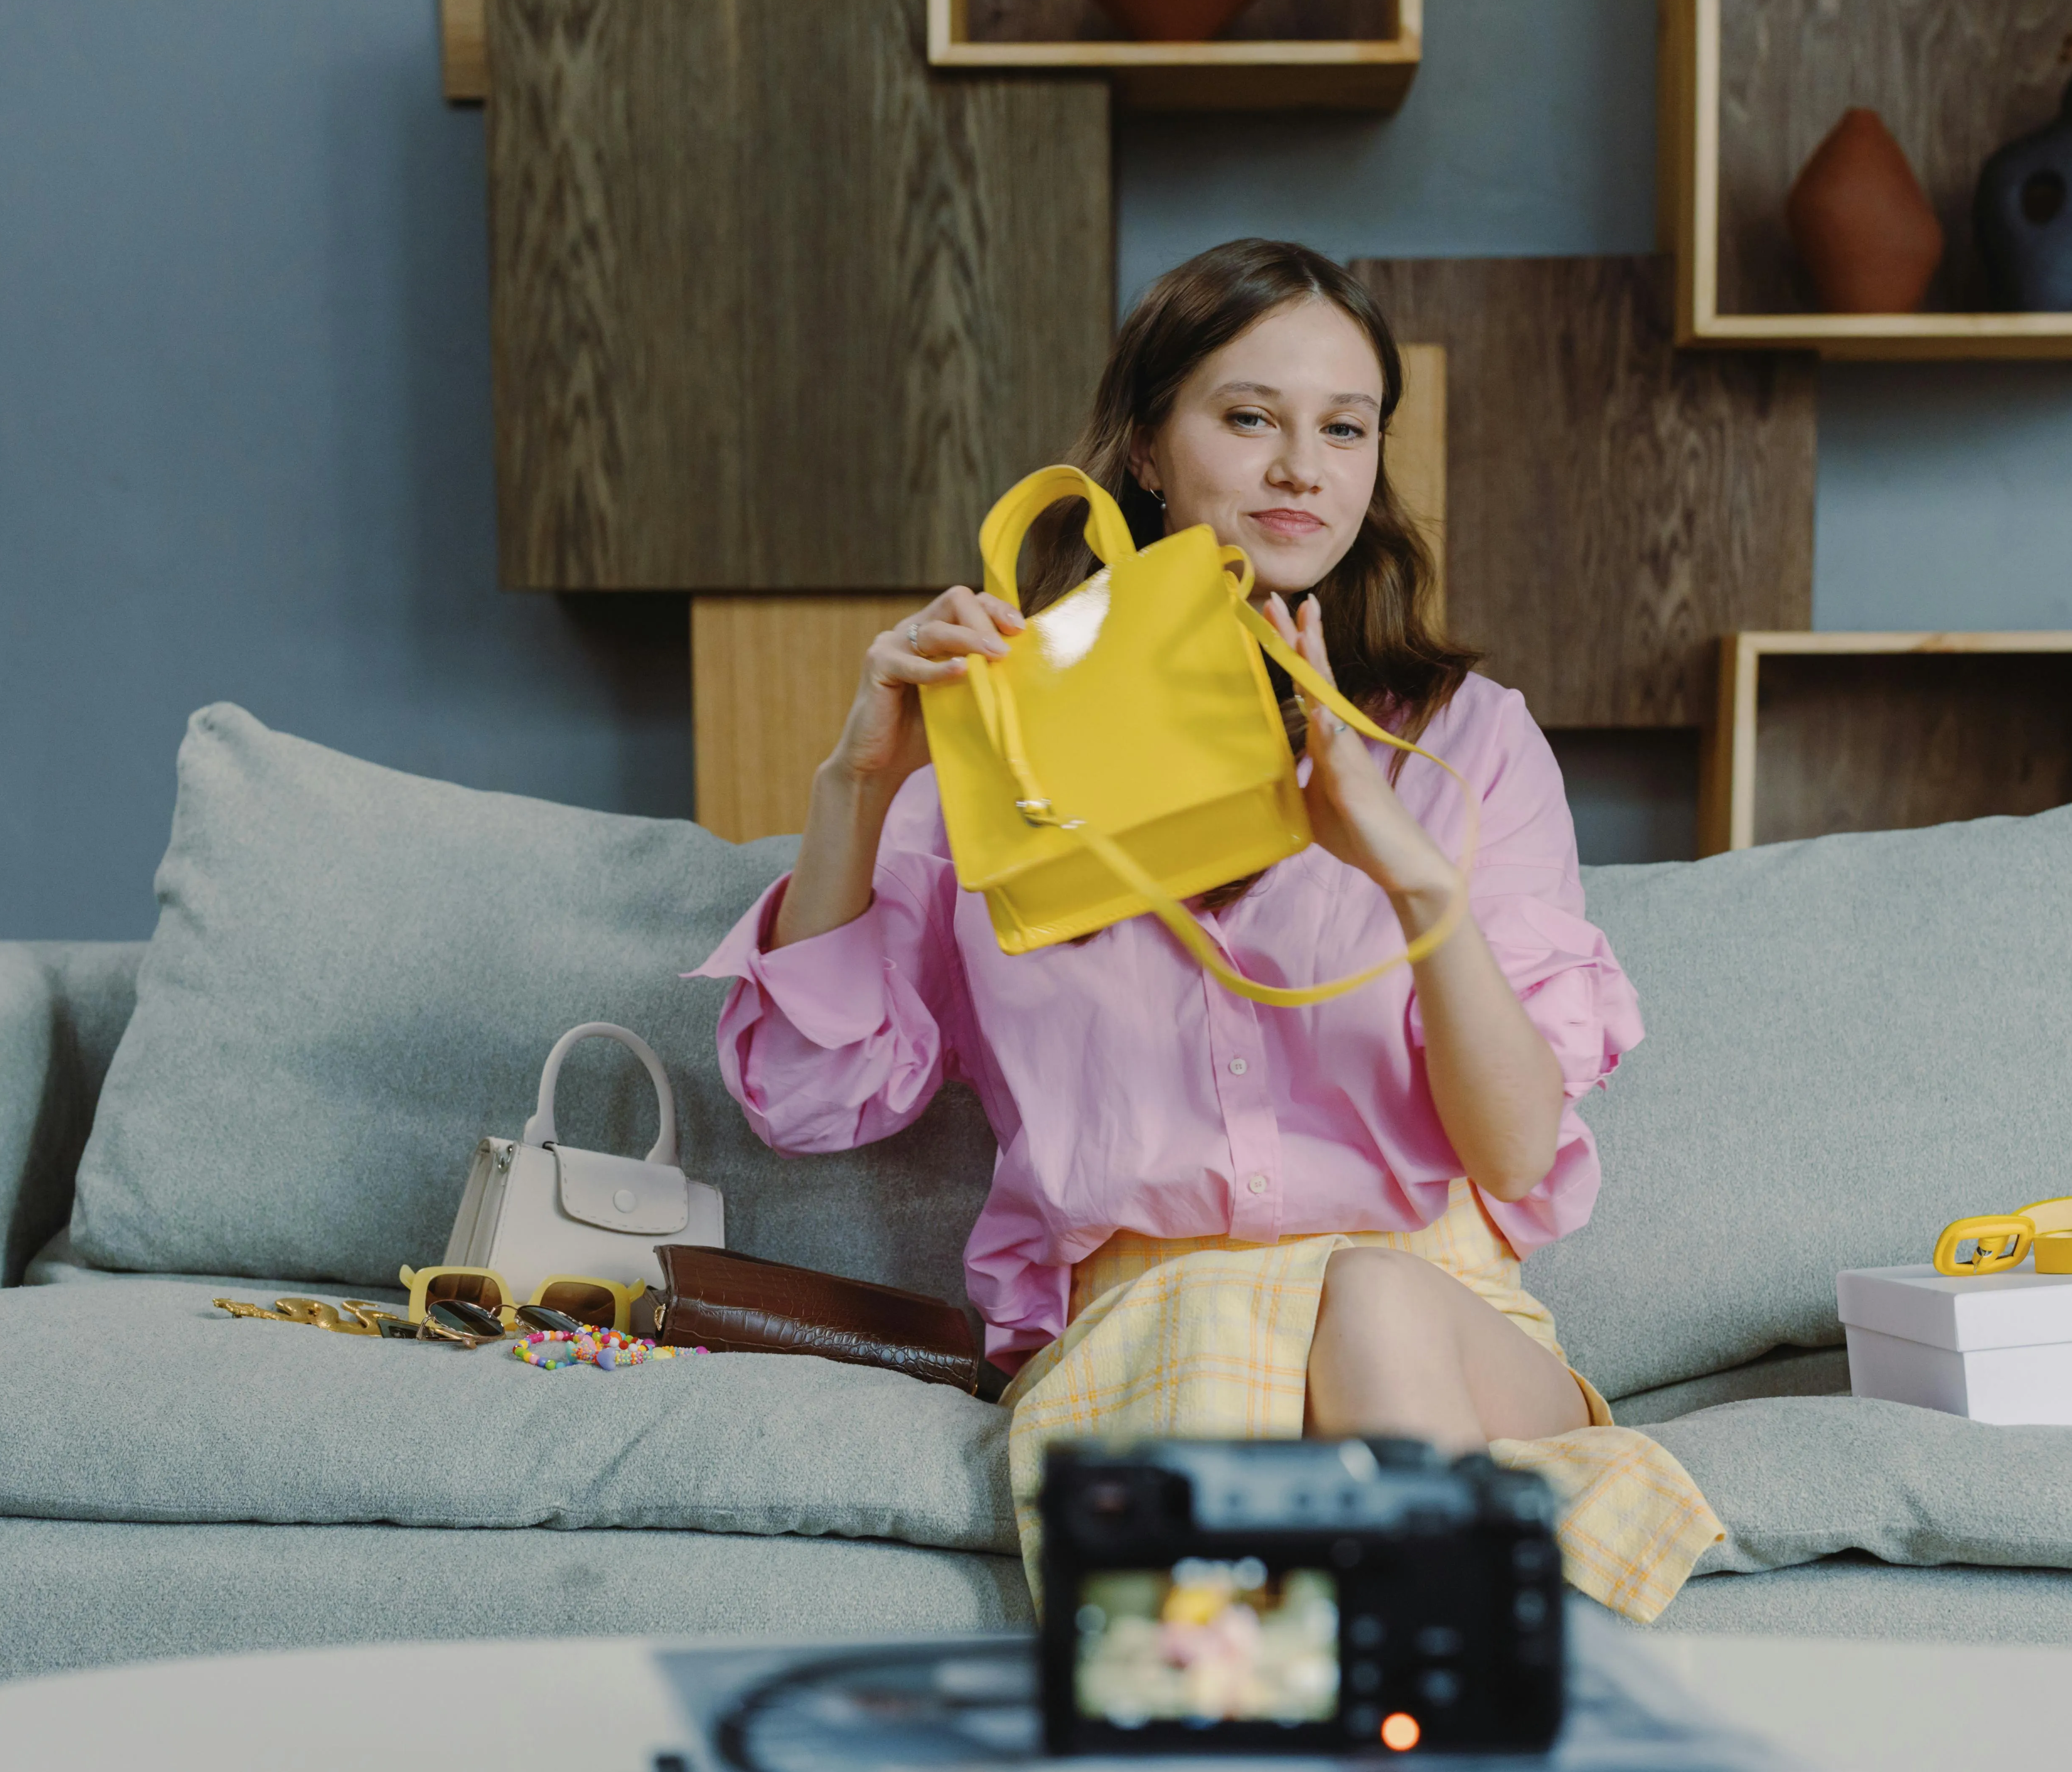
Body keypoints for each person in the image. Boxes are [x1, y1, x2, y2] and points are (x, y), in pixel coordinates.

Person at [691, 239, 1722, 1624]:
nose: (1306, 467)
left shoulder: (1467, 747)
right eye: (1251, 418)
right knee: (1226, 1346)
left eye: (1345, 428)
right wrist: (857, 789)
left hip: (1445, 1328)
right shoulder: (1000, 768)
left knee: (1371, 1300)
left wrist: (1412, 879)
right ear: (1148, 452)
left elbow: (1517, 1152)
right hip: (1145, 1333)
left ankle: (1372, 1721)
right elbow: (811, 1102)